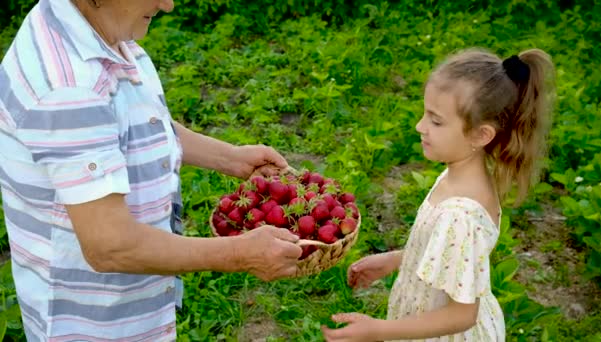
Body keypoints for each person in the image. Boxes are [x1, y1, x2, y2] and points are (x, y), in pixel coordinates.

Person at [0, 0, 303, 340]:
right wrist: (238, 254)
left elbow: (138, 120)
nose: (168, 5)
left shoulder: (99, 31)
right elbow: (110, 245)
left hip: (132, 305)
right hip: (94, 326)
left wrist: (231, 159)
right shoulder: (68, 86)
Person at [322, 48, 555, 341]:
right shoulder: (461, 174)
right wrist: (397, 260)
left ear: (480, 135)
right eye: (425, 114)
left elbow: (462, 314)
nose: (420, 126)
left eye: (436, 120)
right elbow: (453, 257)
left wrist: (379, 330)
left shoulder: (459, 214)